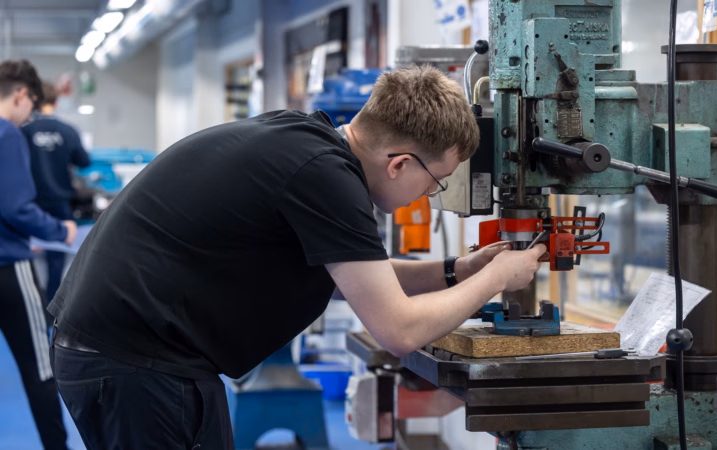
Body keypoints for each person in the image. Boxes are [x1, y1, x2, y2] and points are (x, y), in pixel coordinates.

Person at [49, 66, 546, 449]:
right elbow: (399, 331)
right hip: (136, 364)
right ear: (399, 163)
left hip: (128, 352)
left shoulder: (307, 143)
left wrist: (455, 271)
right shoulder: (328, 179)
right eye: (435, 182)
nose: (429, 195)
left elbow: (347, 276)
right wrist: (497, 277)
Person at [0, 59, 77, 450]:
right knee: (40, 369)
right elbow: (15, 207)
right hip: (9, 269)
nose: (30, 112)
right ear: (20, 95)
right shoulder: (8, 133)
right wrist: (57, 230)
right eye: (31, 102)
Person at [21, 81, 90, 308]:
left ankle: (31, 302)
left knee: (27, 252)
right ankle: (52, 306)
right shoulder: (68, 130)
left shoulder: (24, 131)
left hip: (31, 203)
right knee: (57, 256)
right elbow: (84, 161)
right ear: (56, 101)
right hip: (61, 203)